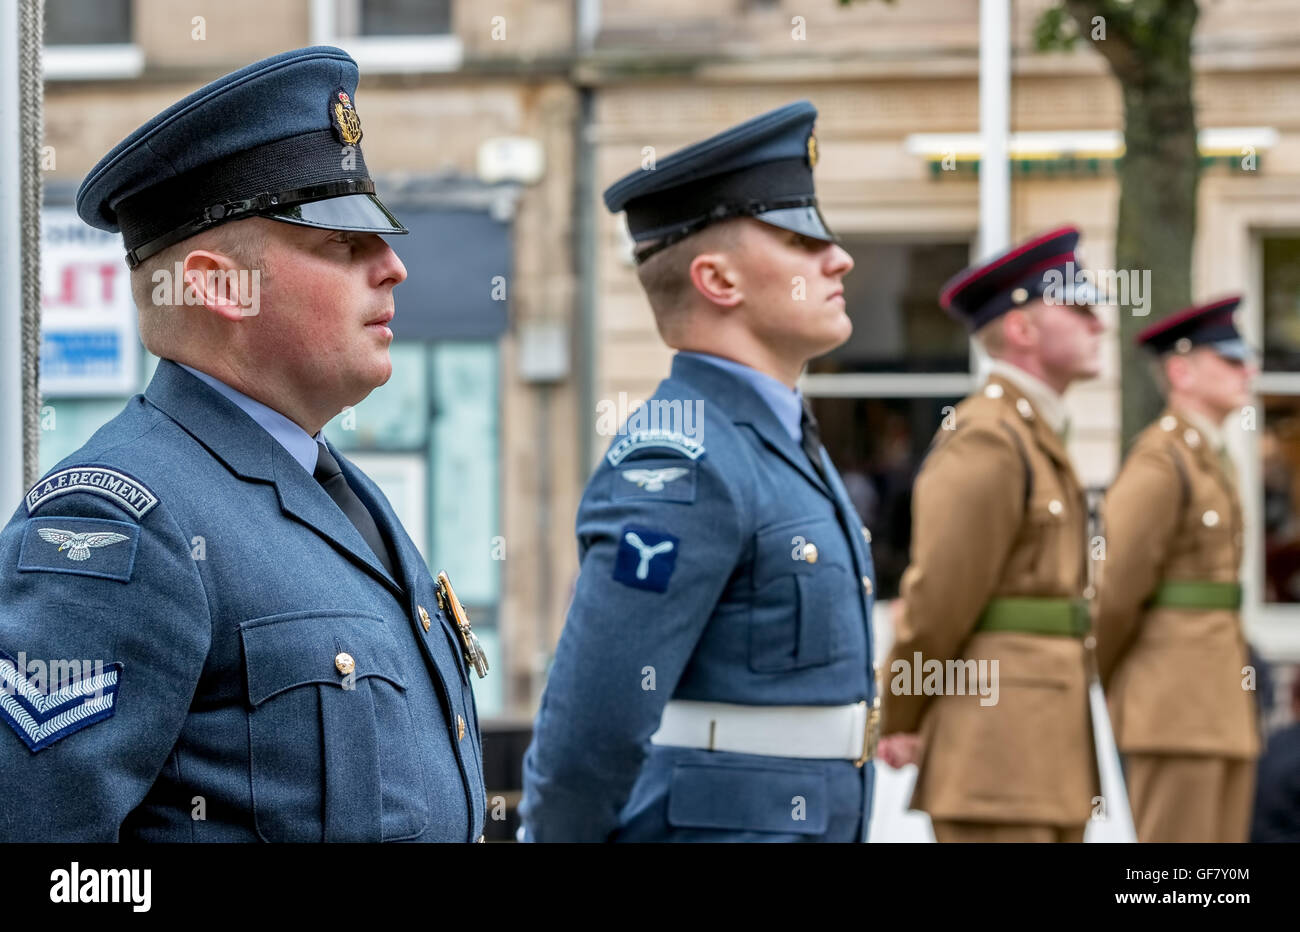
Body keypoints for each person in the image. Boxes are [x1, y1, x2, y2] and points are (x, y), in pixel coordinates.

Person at [0, 47, 488, 842]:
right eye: (341, 243)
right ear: (217, 284)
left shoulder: (342, 491)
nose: (394, 266)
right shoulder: (119, 521)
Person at [519, 101, 879, 842]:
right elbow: (594, 723)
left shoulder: (774, 437)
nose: (837, 257)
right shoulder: (682, 457)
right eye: (798, 239)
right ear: (718, 281)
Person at [876, 226, 1103, 843]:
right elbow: (937, 600)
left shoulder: (1030, 432)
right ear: (1024, 330)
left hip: (1038, 748)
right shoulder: (989, 436)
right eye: (1078, 308)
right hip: (996, 752)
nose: (1099, 323)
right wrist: (900, 712)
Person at [1096, 297, 1260, 843]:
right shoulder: (1161, 459)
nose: (1248, 372)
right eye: (1230, 360)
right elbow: (1117, 590)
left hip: (1217, 707)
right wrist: (1112, 678)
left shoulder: (1210, 457)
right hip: (1174, 708)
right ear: (1180, 370)